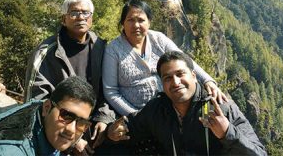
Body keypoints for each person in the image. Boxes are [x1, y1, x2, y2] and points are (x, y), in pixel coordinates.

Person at [107, 51, 267, 155]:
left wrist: (227, 133)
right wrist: (112, 130)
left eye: (180, 74)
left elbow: (259, 153)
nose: (175, 82)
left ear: (194, 75)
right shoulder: (158, 109)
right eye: (168, 78)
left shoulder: (219, 107)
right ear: (162, 83)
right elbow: (132, 125)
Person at [102, 0, 227, 116]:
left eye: (141, 20)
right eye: (130, 20)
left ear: (149, 22)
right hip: (136, 114)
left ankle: (214, 128)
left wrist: (207, 80)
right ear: (123, 23)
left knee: (210, 102)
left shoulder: (158, 39)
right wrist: (136, 116)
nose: (136, 25)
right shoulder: (113, 50)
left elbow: (184, 60)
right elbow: (111, 92)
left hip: (171, 106)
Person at [24, 0, 115, 154]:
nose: (81, 17)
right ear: (63, 19)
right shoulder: (46, 53)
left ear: (91, 18)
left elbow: (108, 90)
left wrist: (104, 118)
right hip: (59, 134)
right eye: (74, 13)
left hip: (93, 130)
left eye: (85, 13)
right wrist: (73, 141)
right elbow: (34, 104)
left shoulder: (100, 48)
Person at [0, 76, 96, 156]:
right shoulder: (6, 152)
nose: (71, 130)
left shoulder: (39, 119)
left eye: (81, 123)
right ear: (47, 108)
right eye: (66, 115)